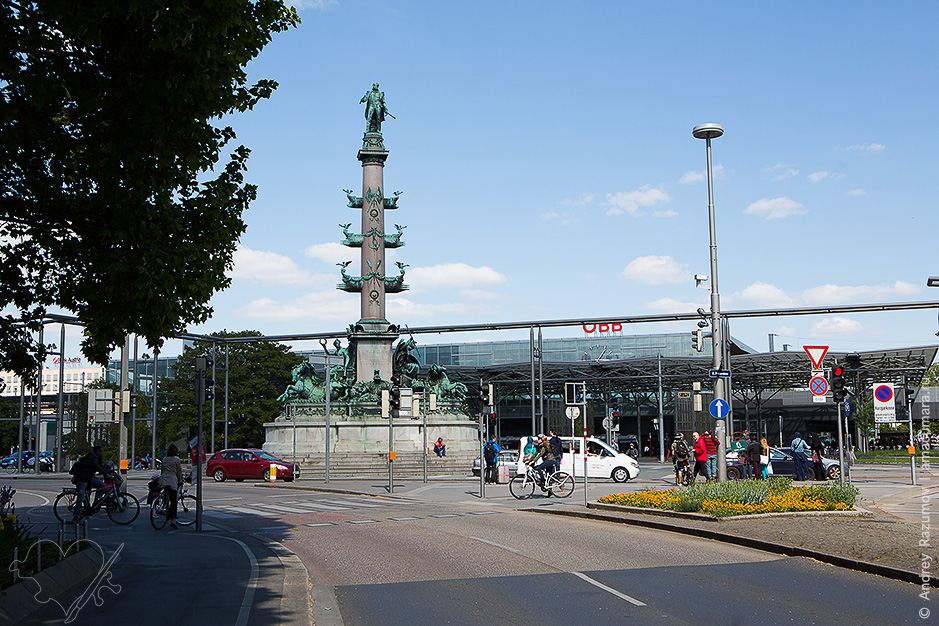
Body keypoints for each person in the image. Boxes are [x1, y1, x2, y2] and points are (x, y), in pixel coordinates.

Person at [70, 445, 109, 523]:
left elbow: (101, 468)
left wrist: (109, 473)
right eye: (101, 451)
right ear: (97, 452)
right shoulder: (92, 458)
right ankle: (76, 516)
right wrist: (107, 475)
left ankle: (96, 502)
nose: (103, 453)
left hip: (88, 478)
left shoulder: (94, 457)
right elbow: (98, 467)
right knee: (80, 497)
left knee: (101, 484)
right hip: (82, 479)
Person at [158, 443, 184, 529]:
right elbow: (178, 471)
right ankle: (173, 520)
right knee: (174, 501)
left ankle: (165, 507)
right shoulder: (176, 459)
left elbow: (162, 470)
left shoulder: (164, 459)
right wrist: (180, 480)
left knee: (166, 495)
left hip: (164, 478)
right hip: (172, 479)